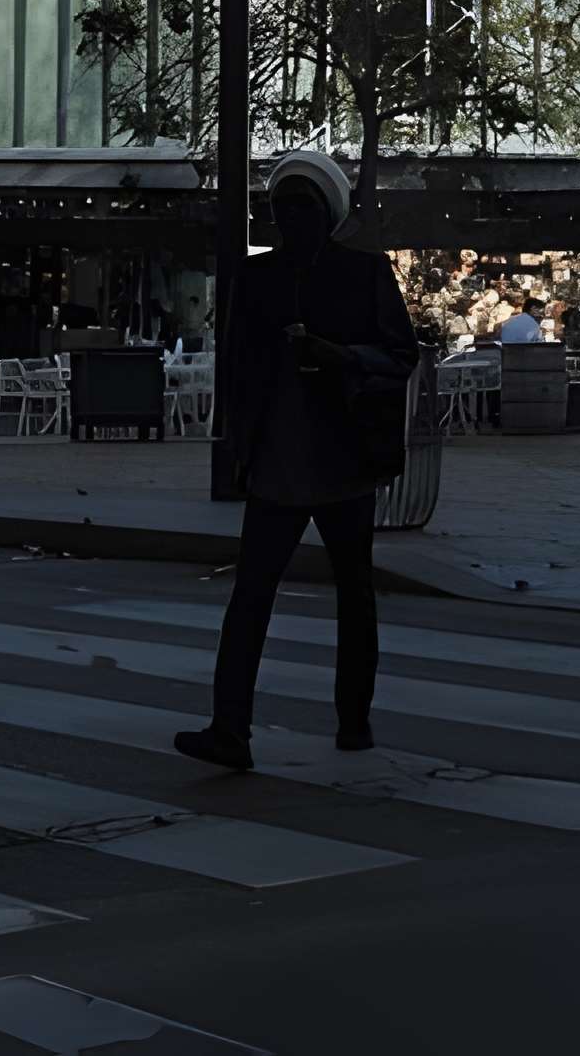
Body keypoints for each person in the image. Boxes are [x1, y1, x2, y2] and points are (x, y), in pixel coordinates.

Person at [175, 152, 419, 772]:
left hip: (331, 457)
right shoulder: (264, 277)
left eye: (301, 208)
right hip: (292, 460)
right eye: (283, 209)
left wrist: (341, 357)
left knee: (306, 594)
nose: (290, 220)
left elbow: (400, 355)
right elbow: (239, 368)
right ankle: (253, 725)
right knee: (297, 594)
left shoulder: (355, 274)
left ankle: (323, 719)